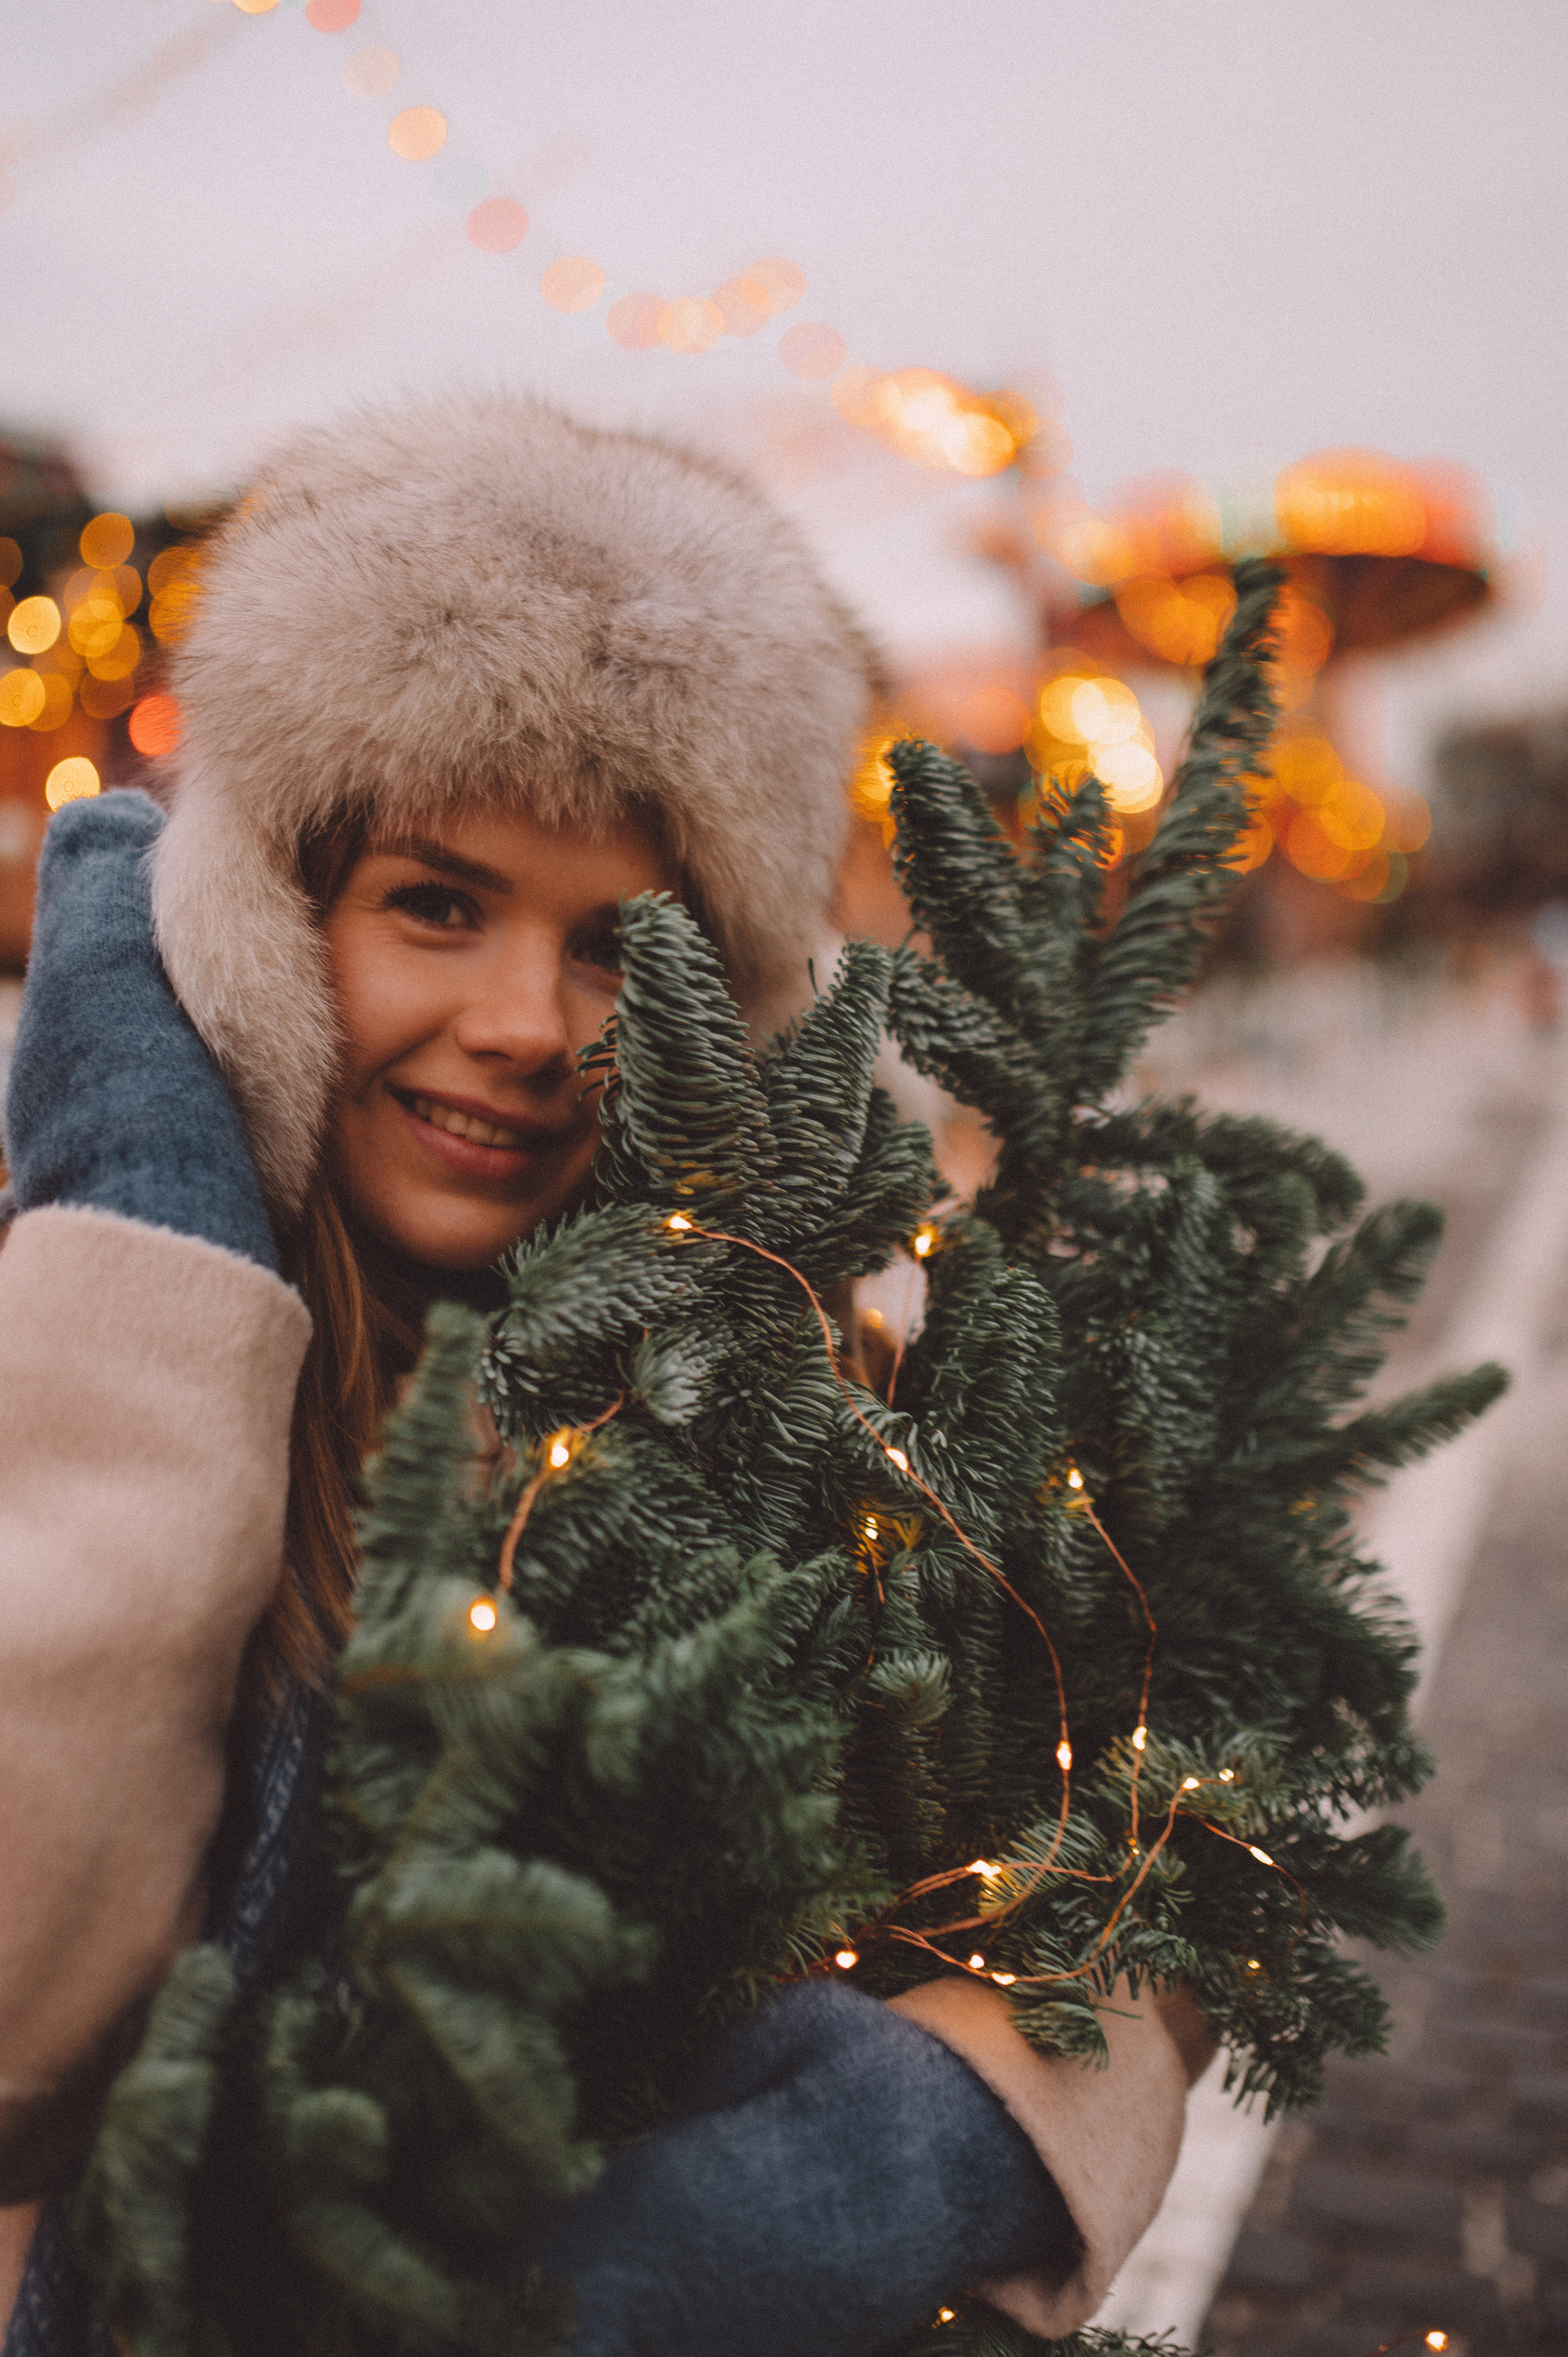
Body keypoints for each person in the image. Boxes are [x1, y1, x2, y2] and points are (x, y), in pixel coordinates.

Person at [0, 394, 1208, 2356]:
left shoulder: (817, 1388)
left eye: (617, 944)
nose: (525, 1027)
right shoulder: (69, 1340)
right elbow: (22, 2049)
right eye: (439, 904)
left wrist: (881, 2164)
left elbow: (1136, 1878)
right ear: (271, 923)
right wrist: (157, 1241)